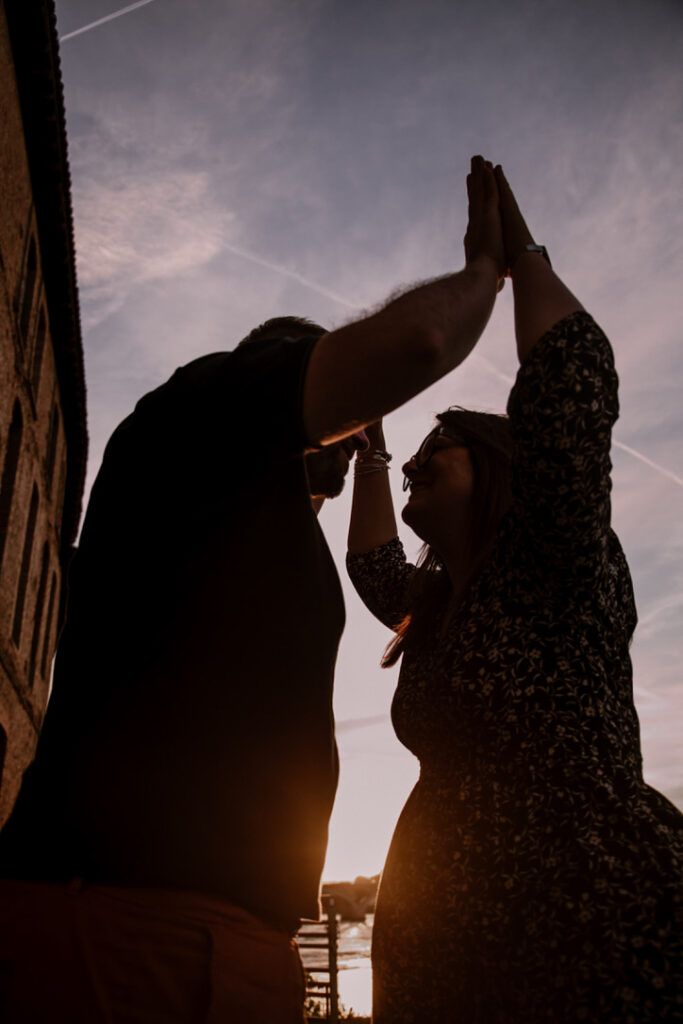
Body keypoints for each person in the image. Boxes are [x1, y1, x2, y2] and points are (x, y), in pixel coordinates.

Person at [0, 159, 510, 1024]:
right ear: (283, 375)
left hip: (214, 940)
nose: (354, 451)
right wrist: (484, 275)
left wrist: (372, 448)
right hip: (130, 930)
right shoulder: (209, 403)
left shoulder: (251, 517)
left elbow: (376, 558)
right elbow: (413, 348)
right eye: (346, 428)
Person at [347, 159, 683, 1022]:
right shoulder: (439, 608)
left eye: (437, 450)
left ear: (500, 468)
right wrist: (373, 449)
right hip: (447, 956)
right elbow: (374, 564)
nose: (419, 462)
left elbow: (570, 378)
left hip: (583, 932)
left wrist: (511, 262)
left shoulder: (556, 561)